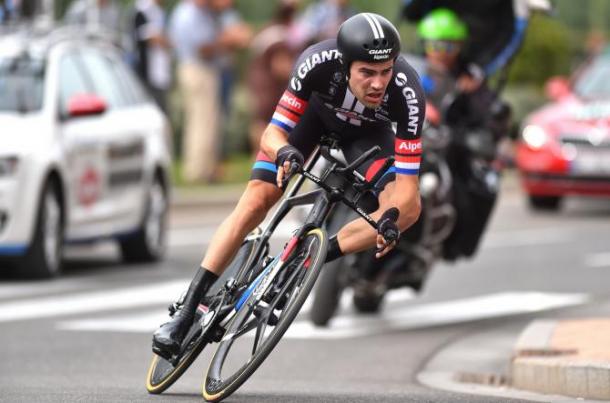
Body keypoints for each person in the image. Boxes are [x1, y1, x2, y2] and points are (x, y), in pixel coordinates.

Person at [152, 12, 426, 359]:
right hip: (314, 118)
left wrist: (390, 218)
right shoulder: (317, 63)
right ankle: (187, 310)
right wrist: (284, 153)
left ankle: (311, 258)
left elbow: (406, 189)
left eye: (385, 71)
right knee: (257, 199)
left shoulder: (407, 92)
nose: (377, 83)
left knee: (409, 209)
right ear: (345, 66)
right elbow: (272, 133)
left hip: (369, 137)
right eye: (367, 73)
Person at [416, 8, 510, 260]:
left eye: (449, 46)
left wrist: (470, 97)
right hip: (404, 133)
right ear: (424, 43)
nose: (441, 53)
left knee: (465, 190)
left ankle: (445, 241)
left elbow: (488, 112)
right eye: (435, 45)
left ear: (459, 47)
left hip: (445, 144)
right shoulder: (404, 65)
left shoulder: (471, 77)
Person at [168, 0, 251, 183]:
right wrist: (227, 41)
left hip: (200, 70)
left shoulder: (198, 12)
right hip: (198, 70)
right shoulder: (190, 13)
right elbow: (203, 49)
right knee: (202, 123)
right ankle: (198, 171)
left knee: (205, 122)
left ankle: (204, 169)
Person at [402, 0, 549, 92]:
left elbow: (509, 32)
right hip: (428, 54)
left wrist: (478, 69)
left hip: (473, 65)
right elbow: (410, 13)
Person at [246, 0, 299, 153]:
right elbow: (281, 66)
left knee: (258, 121)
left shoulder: (267, 29)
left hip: (255, 81)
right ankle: (262, 155)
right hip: (268, 86)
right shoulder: (279, 35)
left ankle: (257, 156)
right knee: (265, 123)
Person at [131, 0, 172, 112]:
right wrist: (166, 41)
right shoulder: (142, 11)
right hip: (148, 73)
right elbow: (152, 39)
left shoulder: (159, 11)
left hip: (161, 72)